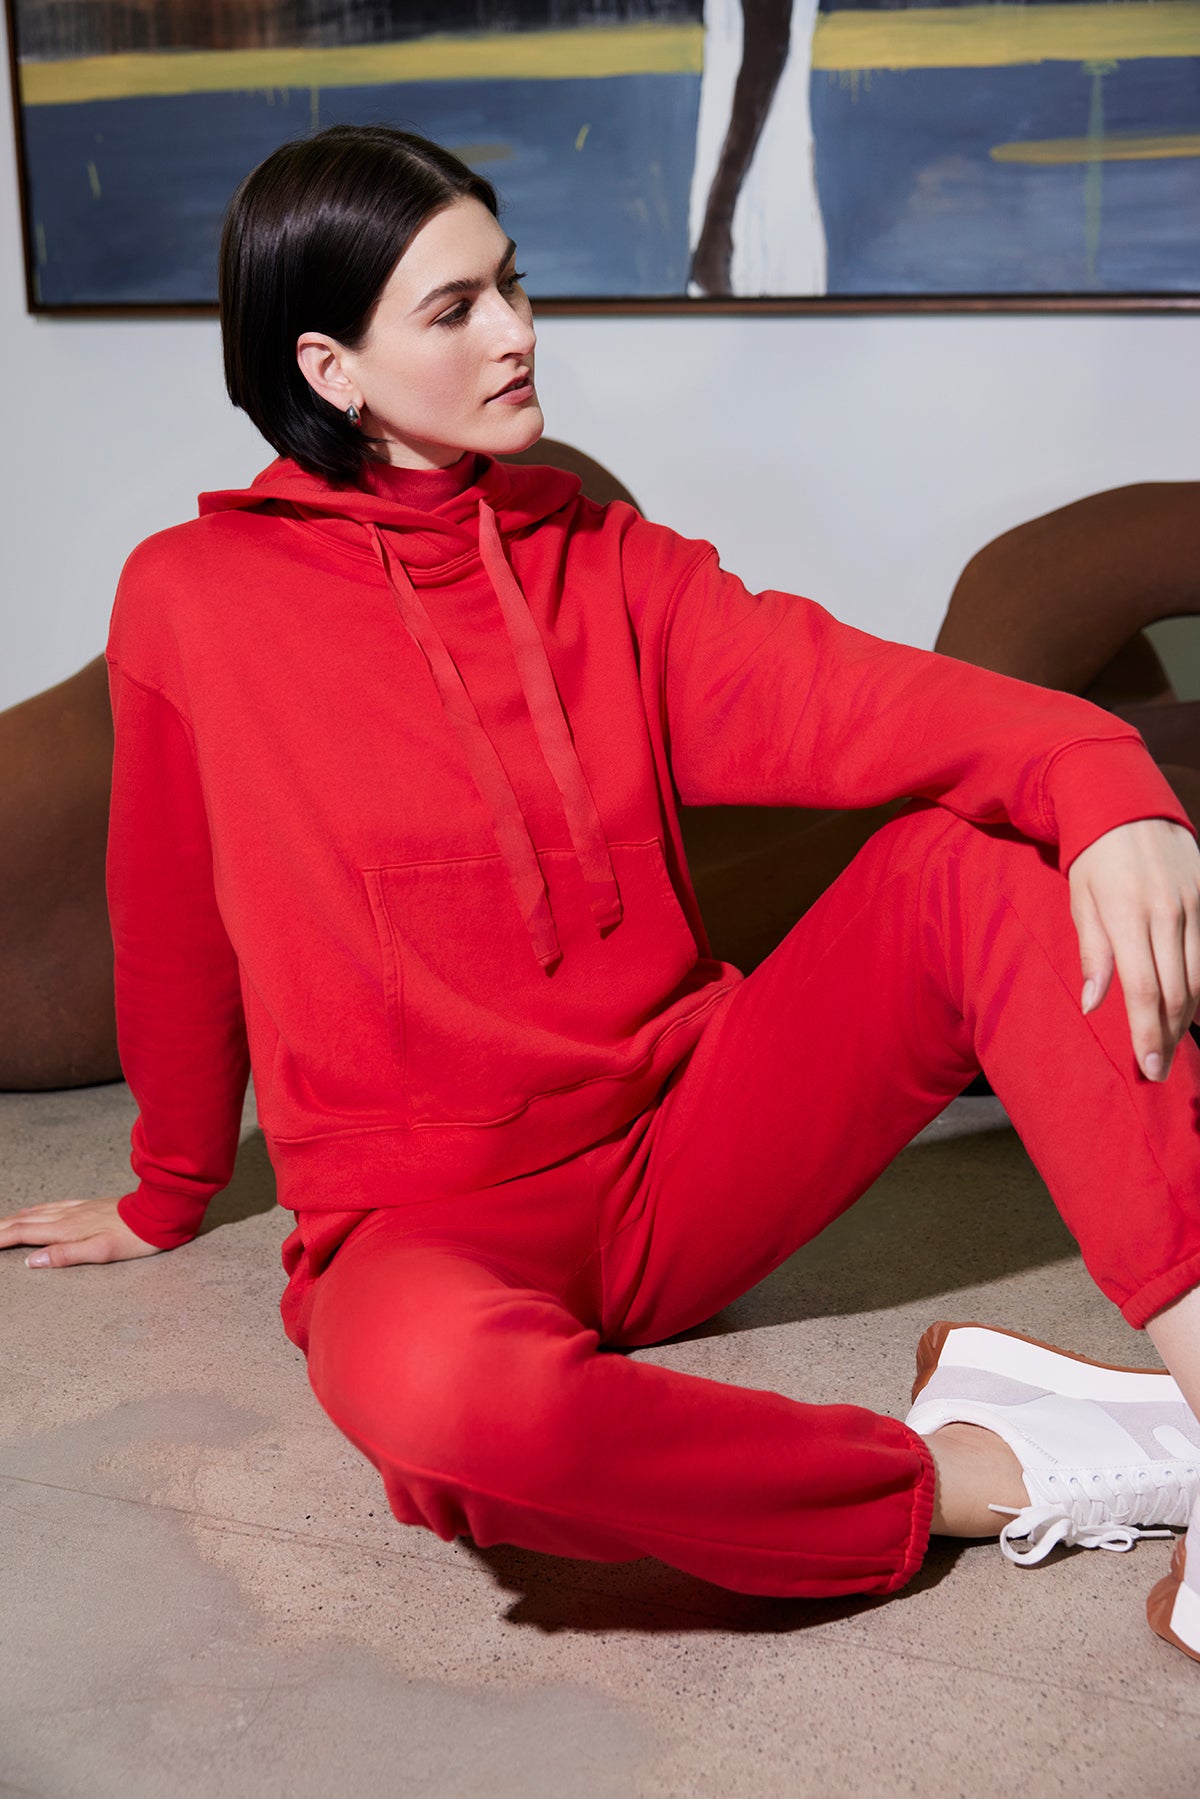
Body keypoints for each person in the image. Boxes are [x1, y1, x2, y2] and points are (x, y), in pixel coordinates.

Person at [2, 124, 1200, 1659]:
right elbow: (169, 912)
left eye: (511, 284)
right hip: (425, 1224)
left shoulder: (607, 564)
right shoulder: (192, 601)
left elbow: (866, 702)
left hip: (693, 1149)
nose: (515, 333)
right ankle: (991, 1468)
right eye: (453, 310)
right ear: (330, 366)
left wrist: (1103, 784)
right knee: (437, 1418)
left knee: (990, 860)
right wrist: (169, 1191)